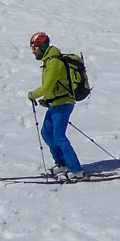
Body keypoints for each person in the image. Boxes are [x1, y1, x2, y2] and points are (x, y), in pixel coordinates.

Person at [27, 31, 83, 177]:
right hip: (55, 103)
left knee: (59, 136)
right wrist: (48, 99)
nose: (34, 52)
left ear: (43, 47)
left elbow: (47, 86)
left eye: (35, 48)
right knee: (46, 133)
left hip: (64, 103)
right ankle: (62, 164)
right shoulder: (48, 61)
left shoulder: (54, 62)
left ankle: (76, 169)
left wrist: (33, 94)